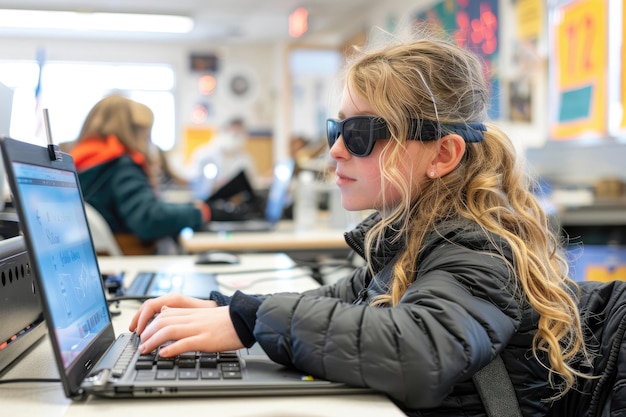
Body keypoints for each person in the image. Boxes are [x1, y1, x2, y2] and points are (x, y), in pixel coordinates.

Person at [129, 30, 592, 415]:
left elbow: (419, 354)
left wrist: (250, 320)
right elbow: (337, 301)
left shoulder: (477, 248)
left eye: (360, 134)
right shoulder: (409, 241)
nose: (335, 150)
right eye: (337, 129)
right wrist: (226, 309)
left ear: (443, 154)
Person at [70, 94, 210, 255]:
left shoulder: (79, 160)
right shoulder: (119, 164)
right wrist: (198, 213)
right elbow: (148, 219)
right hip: (129, 255)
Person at [187, 117, 258, 197]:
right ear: (224, 131)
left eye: (242, 134)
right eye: (236, 134)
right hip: (207, 201)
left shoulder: (246, 158)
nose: (239, 138)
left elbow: (252, 182)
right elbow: (193, 179)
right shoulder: (204, 154)